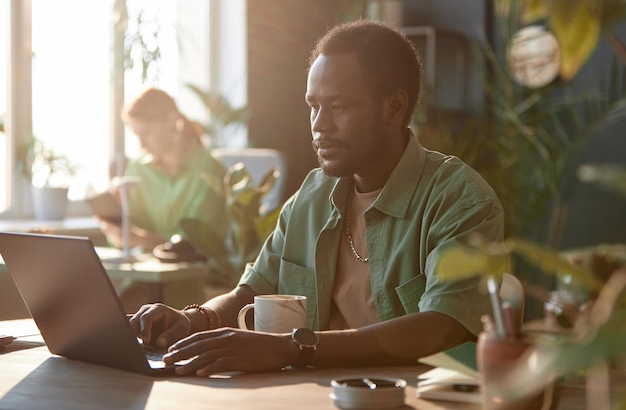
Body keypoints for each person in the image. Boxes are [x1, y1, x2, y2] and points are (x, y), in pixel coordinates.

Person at [130, 19, 504, 377]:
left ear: (394, 107)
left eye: (338, 107)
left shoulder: (459, 200)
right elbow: (254, 290)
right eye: (313, 106)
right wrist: (193, 319)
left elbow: (441, 326)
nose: (319, 125)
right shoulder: (312, 194)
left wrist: (294, 348)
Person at [97, 87, 228, 252]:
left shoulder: (210, 170)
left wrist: (138, 238)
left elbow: (195, 243)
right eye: (137, 136)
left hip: (195, 274)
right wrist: (118, 224)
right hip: (145, 273)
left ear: (171, 121)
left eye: (146, 134)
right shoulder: (138, 169)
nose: (142, 145)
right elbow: (126, 240)